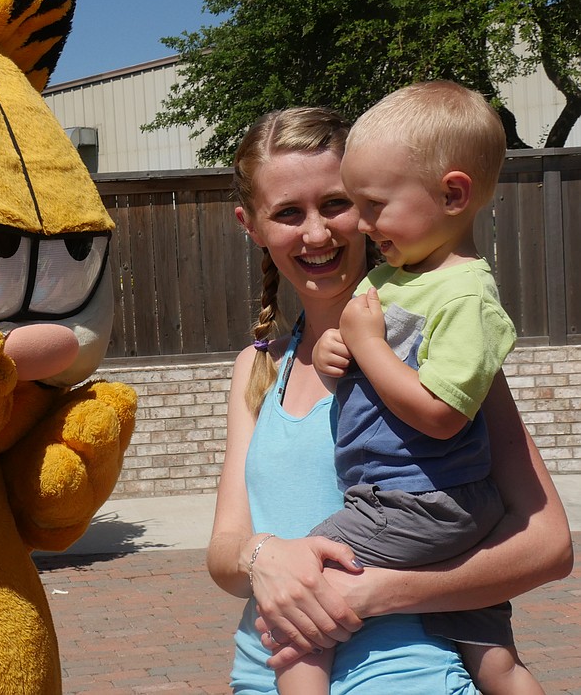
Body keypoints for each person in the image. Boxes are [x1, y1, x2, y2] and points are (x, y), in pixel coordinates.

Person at [208, 106, 573, 695]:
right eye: (287, 213)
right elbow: (224, 552)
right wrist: (264, 557)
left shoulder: (435, 345)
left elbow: (548, 546)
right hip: (262, 674)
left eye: (336, 204)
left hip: (409, 675)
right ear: (250, 225)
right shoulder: (256, 367)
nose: (317, 233)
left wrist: (381, 592)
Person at [279, 81, 537, 694]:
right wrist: (342, 349)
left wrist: (368, 344)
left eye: (375, 205)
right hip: (426, 500)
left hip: (418, 498)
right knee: (493, 657)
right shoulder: (400, 278)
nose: (364, 224)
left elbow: (443, 415)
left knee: (297, 605)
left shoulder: (467, 295)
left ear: (453, 194)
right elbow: (375, 357)